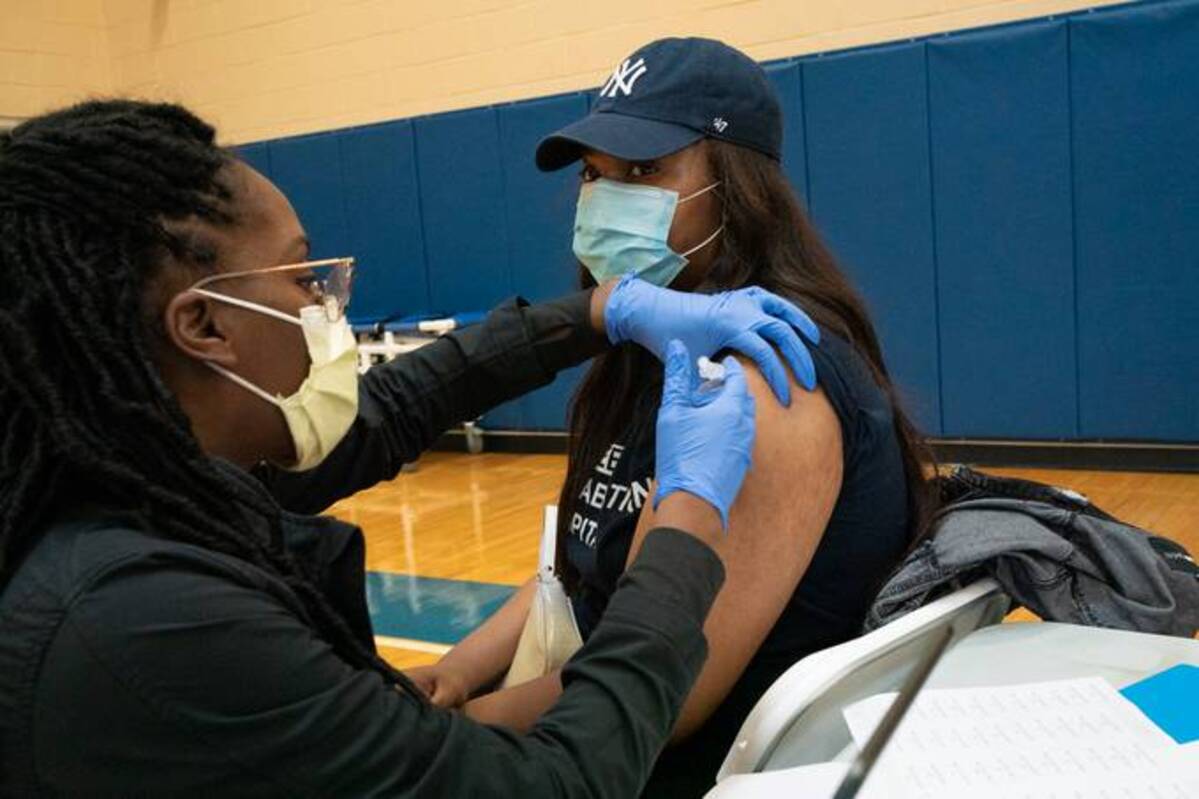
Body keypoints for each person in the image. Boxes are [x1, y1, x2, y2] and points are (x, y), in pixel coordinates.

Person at [0, 100, 822, 796]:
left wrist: (596, 312)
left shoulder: (123, 473)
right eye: (302, 278)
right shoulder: (151, 615)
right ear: (205, 326)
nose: (326, 305)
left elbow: (385, 413)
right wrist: (685, 519)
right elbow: (556, 783)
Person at [411, 38, 936, 796]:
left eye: (643, 170)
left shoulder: (767, 374)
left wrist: (439, 740)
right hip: (602, 718)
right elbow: (575, 572)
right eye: (594, 174)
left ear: (737, 188)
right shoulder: (646, 345)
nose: (604, 198)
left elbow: (667, 696)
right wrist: (455, 673)